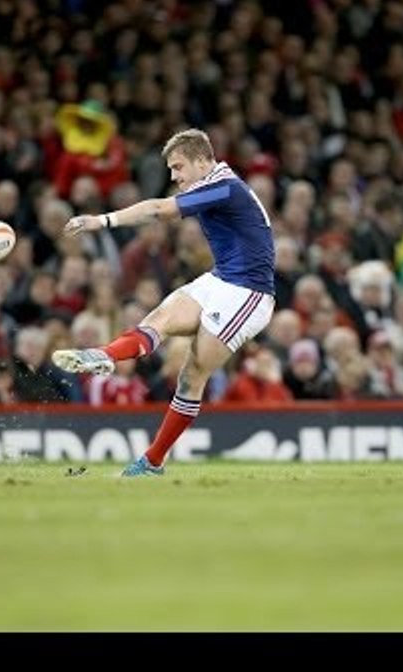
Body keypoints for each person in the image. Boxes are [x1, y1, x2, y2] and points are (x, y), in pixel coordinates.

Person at [52, 128, 276, 476]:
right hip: (220, 279)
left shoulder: (224, 186)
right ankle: (105, 356)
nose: (174, 176)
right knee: (159, 319)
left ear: (203, 161)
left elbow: (159, 210)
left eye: (179, 167)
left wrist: (102, 220)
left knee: (192, 374)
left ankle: (153, 461)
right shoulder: (215, 185)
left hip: (249, 292)